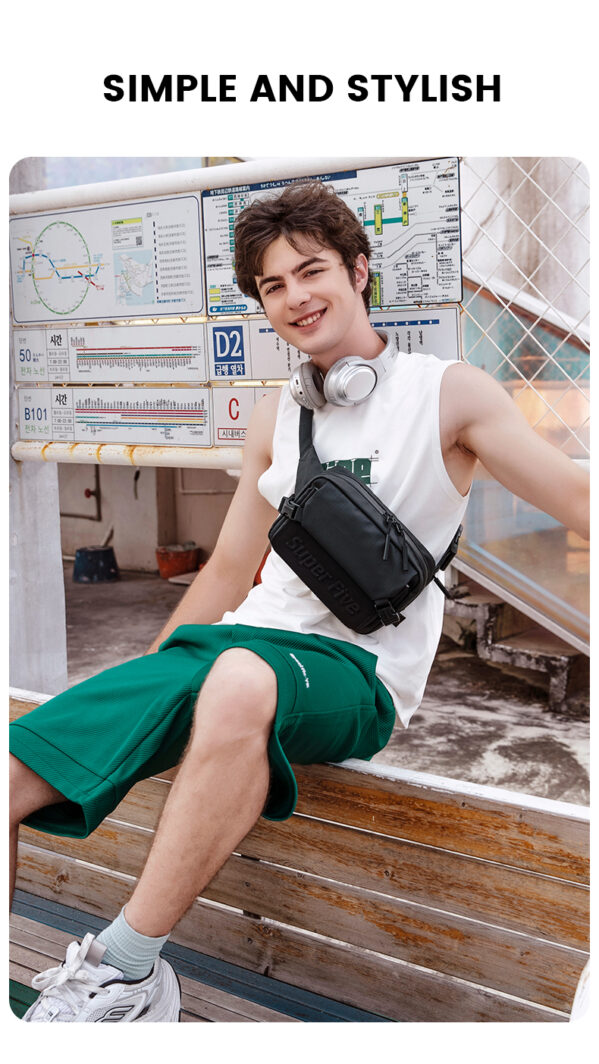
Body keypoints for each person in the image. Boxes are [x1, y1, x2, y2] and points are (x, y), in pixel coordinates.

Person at [9, 181, 590, 1023]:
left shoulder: (448, 394)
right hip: (240, 648)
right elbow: (228, 570)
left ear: (357, 270)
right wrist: (154, 686)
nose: (294, 297)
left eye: (310, 271)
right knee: (12, 772)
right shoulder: (274, 415)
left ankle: (127, 971)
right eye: (272, 286)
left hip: (356, 669)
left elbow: (577, 499)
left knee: (240, 678)